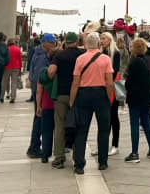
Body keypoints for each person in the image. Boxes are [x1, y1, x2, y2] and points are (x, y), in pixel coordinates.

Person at [70, 32, 114, 174]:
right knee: (103, 129)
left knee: (81, 130)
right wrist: (109, 98)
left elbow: (75, 82)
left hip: (83, 94)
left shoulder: (80, 59)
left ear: (86, 43)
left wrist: (72, 100)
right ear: (98, 43)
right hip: (100, 94)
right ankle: (102, 162)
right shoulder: (106, 59)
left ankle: (79, 164)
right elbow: (109, 82)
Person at [48, 32, 83, 169]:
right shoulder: (82, 55)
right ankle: (78, 157)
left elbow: (51, 71)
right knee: (79, 125)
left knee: (60, 125)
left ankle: (59, 157)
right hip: (79, 94)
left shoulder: (59, 55)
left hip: (62, 95)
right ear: (76, 41)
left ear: (66, 42)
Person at [124, 38, 150, 163]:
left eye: (132, 46)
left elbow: (129, 82)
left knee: (134, 124)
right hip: (145, 97)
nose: (130, 48)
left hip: (135, 98)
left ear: (135, 48)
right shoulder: (145, 60)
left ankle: (134, 153)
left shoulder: (134, 62)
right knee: (146, 123)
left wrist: (127, 86)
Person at [30, 34, 57, 161]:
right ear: (45, 43)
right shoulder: (42, 57)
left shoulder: (38, 53)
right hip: (40, 92)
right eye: (52, 43)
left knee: (38, 119)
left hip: (37, 91)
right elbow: (40, 77)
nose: (54, 45)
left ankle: (34, 146)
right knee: (39, 119)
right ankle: (34, 147)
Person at [97, 32, 120, 157]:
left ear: (110, 40)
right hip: (101, 86)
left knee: (113, 117)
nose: (101, 40)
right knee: (102, 118)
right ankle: (101, 145)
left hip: (111, 87)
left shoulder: (115, 53)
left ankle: (115, 145)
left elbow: (115, 70)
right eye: (101, 38)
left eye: (104, 38)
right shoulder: (100, 52)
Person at [3, 37, 22, 103]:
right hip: (16, 67)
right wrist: (20, 68)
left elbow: (4, 59)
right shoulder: (18, 49)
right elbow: (20, 59)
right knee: (14, 83)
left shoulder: (6, 49)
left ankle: (2, 96)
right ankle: (13, 97)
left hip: (7, 67)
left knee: (5, 82)